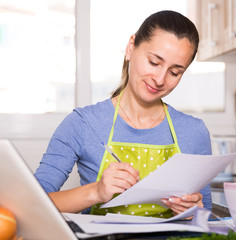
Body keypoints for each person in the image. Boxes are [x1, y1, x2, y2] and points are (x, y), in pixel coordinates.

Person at [34, 10, 212, 218]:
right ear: (130, 48)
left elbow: (207, 216)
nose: (160, 79)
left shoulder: (194, 132)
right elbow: (33, 203)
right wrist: (96, 191)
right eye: (154, 62)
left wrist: (195, 212)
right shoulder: (82, 124)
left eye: (175, 72)